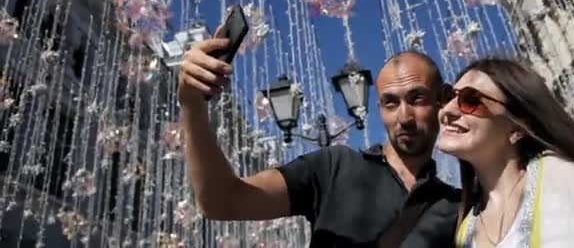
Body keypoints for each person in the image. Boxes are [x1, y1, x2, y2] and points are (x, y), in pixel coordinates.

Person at [178, 35, 459, 247]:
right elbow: (222, 201)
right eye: (390, 103)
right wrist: (191, 104)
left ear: (441, 100)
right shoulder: (334, 166)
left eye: (417, 98)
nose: (404, 116)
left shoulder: (460, 205)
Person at [437, 57, 574, 247]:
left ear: (518, 127)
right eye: (448, 97)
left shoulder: (560, 178)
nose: (446, 110)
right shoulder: (466, 228)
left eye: (471, 100)